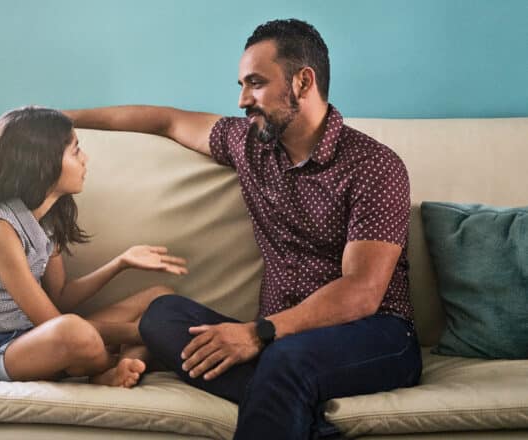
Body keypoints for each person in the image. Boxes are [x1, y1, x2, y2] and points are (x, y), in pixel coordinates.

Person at [64, 18, 421, 439]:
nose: (241, 100)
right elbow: (166, 121)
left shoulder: (374, 165)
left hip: (376, 335)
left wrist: (258, 333)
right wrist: (56, 118)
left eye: (255, 83)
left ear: (303, 82)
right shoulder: (249, 144)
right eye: (241, 84)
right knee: (161, 317)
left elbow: (362, 290)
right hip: (277, 341)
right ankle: (304, 421)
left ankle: (285, 392)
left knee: (285, 360)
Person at [0, 106, 188, 388]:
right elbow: (51, 321)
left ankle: (115, 366)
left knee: (160, 298)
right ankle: (110, 365)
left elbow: (62, 296)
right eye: (75, 151)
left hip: (35, 336)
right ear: (44, 162)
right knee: (73, 331)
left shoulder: (46, 219)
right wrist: (142, 333)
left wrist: (121, 262)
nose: (85, 159)